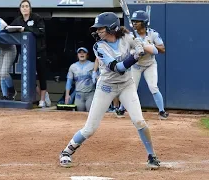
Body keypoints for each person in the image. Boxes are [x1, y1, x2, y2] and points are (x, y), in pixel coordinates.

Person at [59, 12, 161, 169]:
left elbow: (155, 51)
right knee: (90, 128)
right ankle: (66, 151)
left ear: (112, 28)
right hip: (106, 87)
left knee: (139, 121)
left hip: (127, 85)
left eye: (101, 28)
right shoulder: (99, 47)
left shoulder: (127, 37)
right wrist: (135, 57)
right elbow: (118, 68)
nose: (98, 31)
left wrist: (141, 45)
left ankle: (152, 156)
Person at [117, 10, 169, 120]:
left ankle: (162, 111)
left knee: (153, 87)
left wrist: (147, 45)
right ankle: (121, 109)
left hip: (150, 64)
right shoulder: (131, 36)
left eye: (137, 21)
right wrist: (134, 49)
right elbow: (124, 50)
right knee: (131, 88)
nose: (134, 23)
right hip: (136, 65)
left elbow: (162, 49)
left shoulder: (152, 34)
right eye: (133, 21)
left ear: (144, 23)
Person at [10, 0, 51, 107]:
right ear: (20, 9)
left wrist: (26, 29)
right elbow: (9, 29)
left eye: (26, 6)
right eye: (22, 6)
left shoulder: (36, 18)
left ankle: (42, 99)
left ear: (30, 8)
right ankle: (43, 95)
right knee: (28, 76)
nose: (24, 8)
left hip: (39, 51)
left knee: (41, 75)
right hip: (26, 53)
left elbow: (41, 31)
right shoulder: (18, 20)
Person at [65, 47, 94, 112]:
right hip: (79, 94)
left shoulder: (93, 65)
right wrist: (67, 95)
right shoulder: (73, 66)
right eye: (80, 52)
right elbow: (69, 82)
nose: (82, 54)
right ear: (77, 55)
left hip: (90, 93)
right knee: (79, 113)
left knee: (90, 112)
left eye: (84, 52)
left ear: (87, 55)